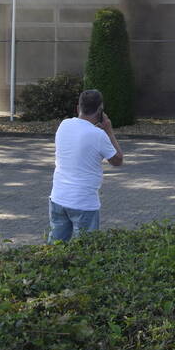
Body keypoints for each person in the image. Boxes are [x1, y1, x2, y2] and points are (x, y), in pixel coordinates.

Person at [47, 89, 123, 242]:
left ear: (78, 108)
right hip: (84, 202)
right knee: (84, 251)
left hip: (58, 198)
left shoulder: (64, 125)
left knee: (55, 248)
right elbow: (118, 160)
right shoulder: (99, 135)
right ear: (100, 110)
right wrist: (109, 131)